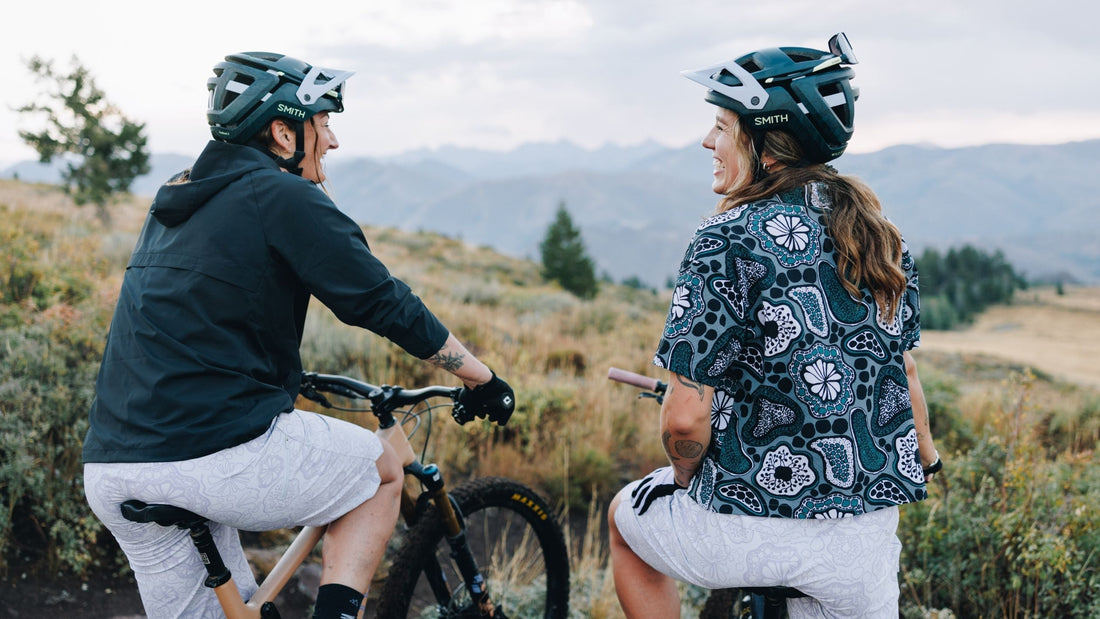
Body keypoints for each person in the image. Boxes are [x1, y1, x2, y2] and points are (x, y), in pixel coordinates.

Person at [81, 52, 516, 619]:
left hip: (114, 465)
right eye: (324, 122)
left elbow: (196, 312)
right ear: (284, 132)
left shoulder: (178, 198)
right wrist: (480, 377)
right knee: (381, 471)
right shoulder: (282, 195)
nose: (332, 140)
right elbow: (382, 301)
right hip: (211, 452)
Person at [608, 33, 941, 618]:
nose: (707, 140)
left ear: (764, 145)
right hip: (861, 547)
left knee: (623, 519)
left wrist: (687, 475)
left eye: (722, 126)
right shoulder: (882, 237)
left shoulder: (725, 238)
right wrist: (929, 457)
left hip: (746, 528)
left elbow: (686, 416)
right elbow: (903, 371)